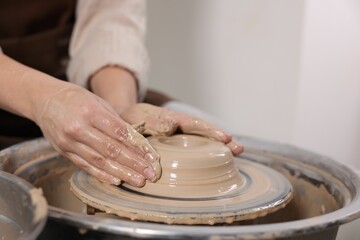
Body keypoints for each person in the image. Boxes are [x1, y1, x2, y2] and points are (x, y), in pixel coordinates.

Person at [0, 0, 243, 187]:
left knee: (212, 130)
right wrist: (46, 99)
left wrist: (119, 108)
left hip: (74, 92)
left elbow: (109, 19)